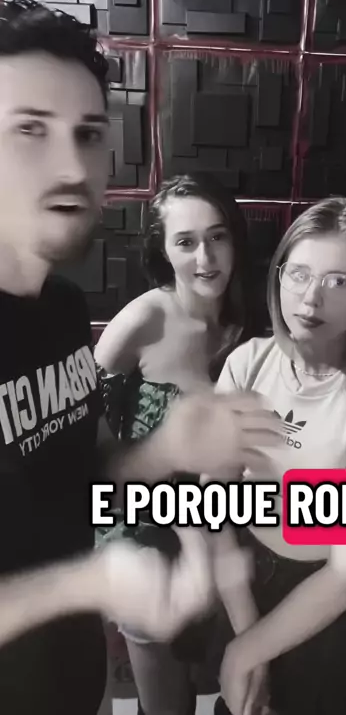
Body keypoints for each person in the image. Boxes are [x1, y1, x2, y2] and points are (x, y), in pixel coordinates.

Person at [0, 0, 281, 715]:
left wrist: (164, 450)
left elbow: (85, 462)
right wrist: (88, 582)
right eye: (29, 129)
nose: (70, 164)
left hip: (70, 672)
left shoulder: (63, 309)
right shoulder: (139, 319)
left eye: (88, 134)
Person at [208, 197, 346, 715]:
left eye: (338, 282)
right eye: (299, 274)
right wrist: (246, 631)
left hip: (327, 600)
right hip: (243, 578)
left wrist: (248, 651)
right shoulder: (246, 364)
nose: (311, 298)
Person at [94, 172, 258, 715]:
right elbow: (86, 434)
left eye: (217, 237)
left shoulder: (262, 319)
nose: (205, 258)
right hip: (148, 532)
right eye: (185, 242)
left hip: (236, 531)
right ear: (163, 252)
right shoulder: (144, 319)